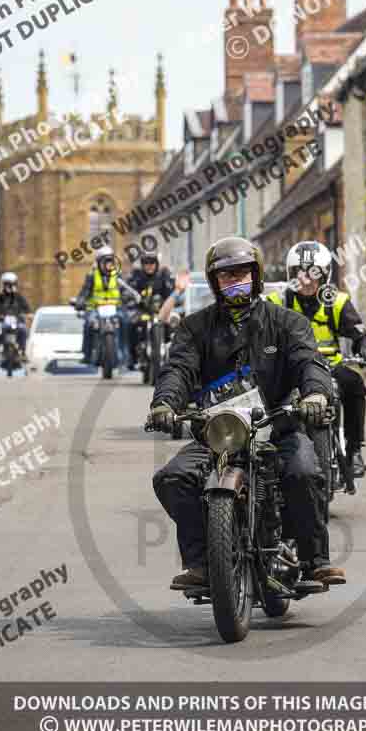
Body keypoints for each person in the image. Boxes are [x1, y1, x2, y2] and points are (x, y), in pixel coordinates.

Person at [147, 236, 346, 590]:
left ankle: (314, 559)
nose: (234, 280)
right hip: (218, 434)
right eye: (226, 275)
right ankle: (201, 563)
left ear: (255, 276)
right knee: (172, 478)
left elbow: (309, 362)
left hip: (277, 426)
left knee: (304, 471)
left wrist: (316, 394)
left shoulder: (288, 323)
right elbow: (177, 370)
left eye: (241, 273)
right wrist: (164, 403)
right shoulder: (195, 328)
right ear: (214, 282)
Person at [266, 241, 366, 481]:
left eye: (313, 273)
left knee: (354, 383)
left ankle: (354, 450)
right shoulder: (277, 302)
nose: (307, 279)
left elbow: (359, 331)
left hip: (329, 367)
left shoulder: (336, 301)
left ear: (325, 274)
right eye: (300, 273)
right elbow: (258, 332)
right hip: (291, 370)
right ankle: (267, 451)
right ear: (291, 274)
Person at [75, 246, 125, 364]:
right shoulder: (92, 275)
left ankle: (126, 354)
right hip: (95, 309)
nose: (107, 263)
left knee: (126, 322)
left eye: (109, 260)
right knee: (88, 324)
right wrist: (80, 301)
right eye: (104, 261)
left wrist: (129, 297)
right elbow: (85, 291)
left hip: (115, 308)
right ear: (98, 262)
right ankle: (87, 354)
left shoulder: (117, 275)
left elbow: (125, 290)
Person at [125, 252, 174, 369]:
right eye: (146, 263)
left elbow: (171, 291)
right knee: (130, 324)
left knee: (174, 325)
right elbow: (128, 291)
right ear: (142, 265)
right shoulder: (137, 276)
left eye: (152, 263)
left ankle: (174, 356)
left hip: (161, 312)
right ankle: (132, 357)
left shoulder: (163, 275)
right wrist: (130, 299)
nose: (149, 266)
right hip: (143, 311)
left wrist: (172, 299)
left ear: (156, 264)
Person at [0, 272, 31, 362]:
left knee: (23, 330)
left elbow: (27, 309)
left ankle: (23, 352)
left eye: (11, 284)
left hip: (17, 323)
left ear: (15, 284)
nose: (9, 286)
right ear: (3, 285)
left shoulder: (19, 297)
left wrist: (28, 315)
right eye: (7, 284)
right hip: (2, 323)